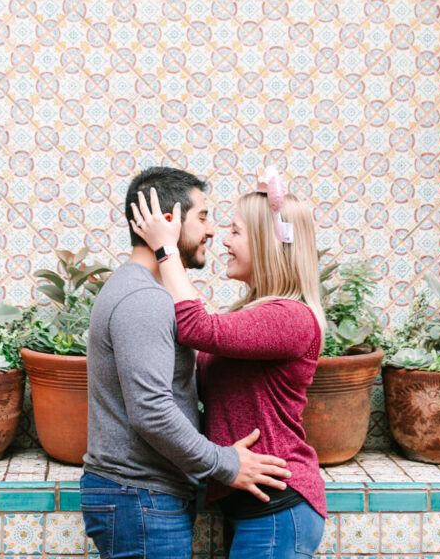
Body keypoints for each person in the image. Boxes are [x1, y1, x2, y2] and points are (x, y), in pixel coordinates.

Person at [81, 165, 292, 559]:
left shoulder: (144, 291)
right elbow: (151, 412)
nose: (212, 231)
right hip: (140, 497)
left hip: (142, 497)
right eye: (203, 217)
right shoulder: (144, 300)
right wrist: (225, 463)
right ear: (169, 222)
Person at [131, 167, 327, 559]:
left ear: (267, 243)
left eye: (236, 232)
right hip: (254, 508)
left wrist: (165, 249)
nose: (224, 240)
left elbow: (195, 326)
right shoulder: (254, 313)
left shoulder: (291, 317)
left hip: (276, 507)